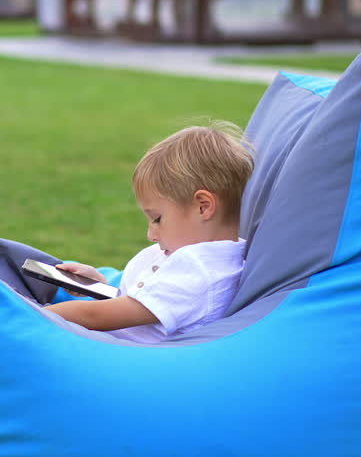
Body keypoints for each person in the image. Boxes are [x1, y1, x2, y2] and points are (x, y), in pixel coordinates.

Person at [45, 121, 254, 342]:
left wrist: (31, 314)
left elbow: (96, 317)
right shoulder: (210, 259)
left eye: (157, 219)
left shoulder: (200, 271)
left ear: (203, 206)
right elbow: (145, 312)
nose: (151, 235)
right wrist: (100, 287)